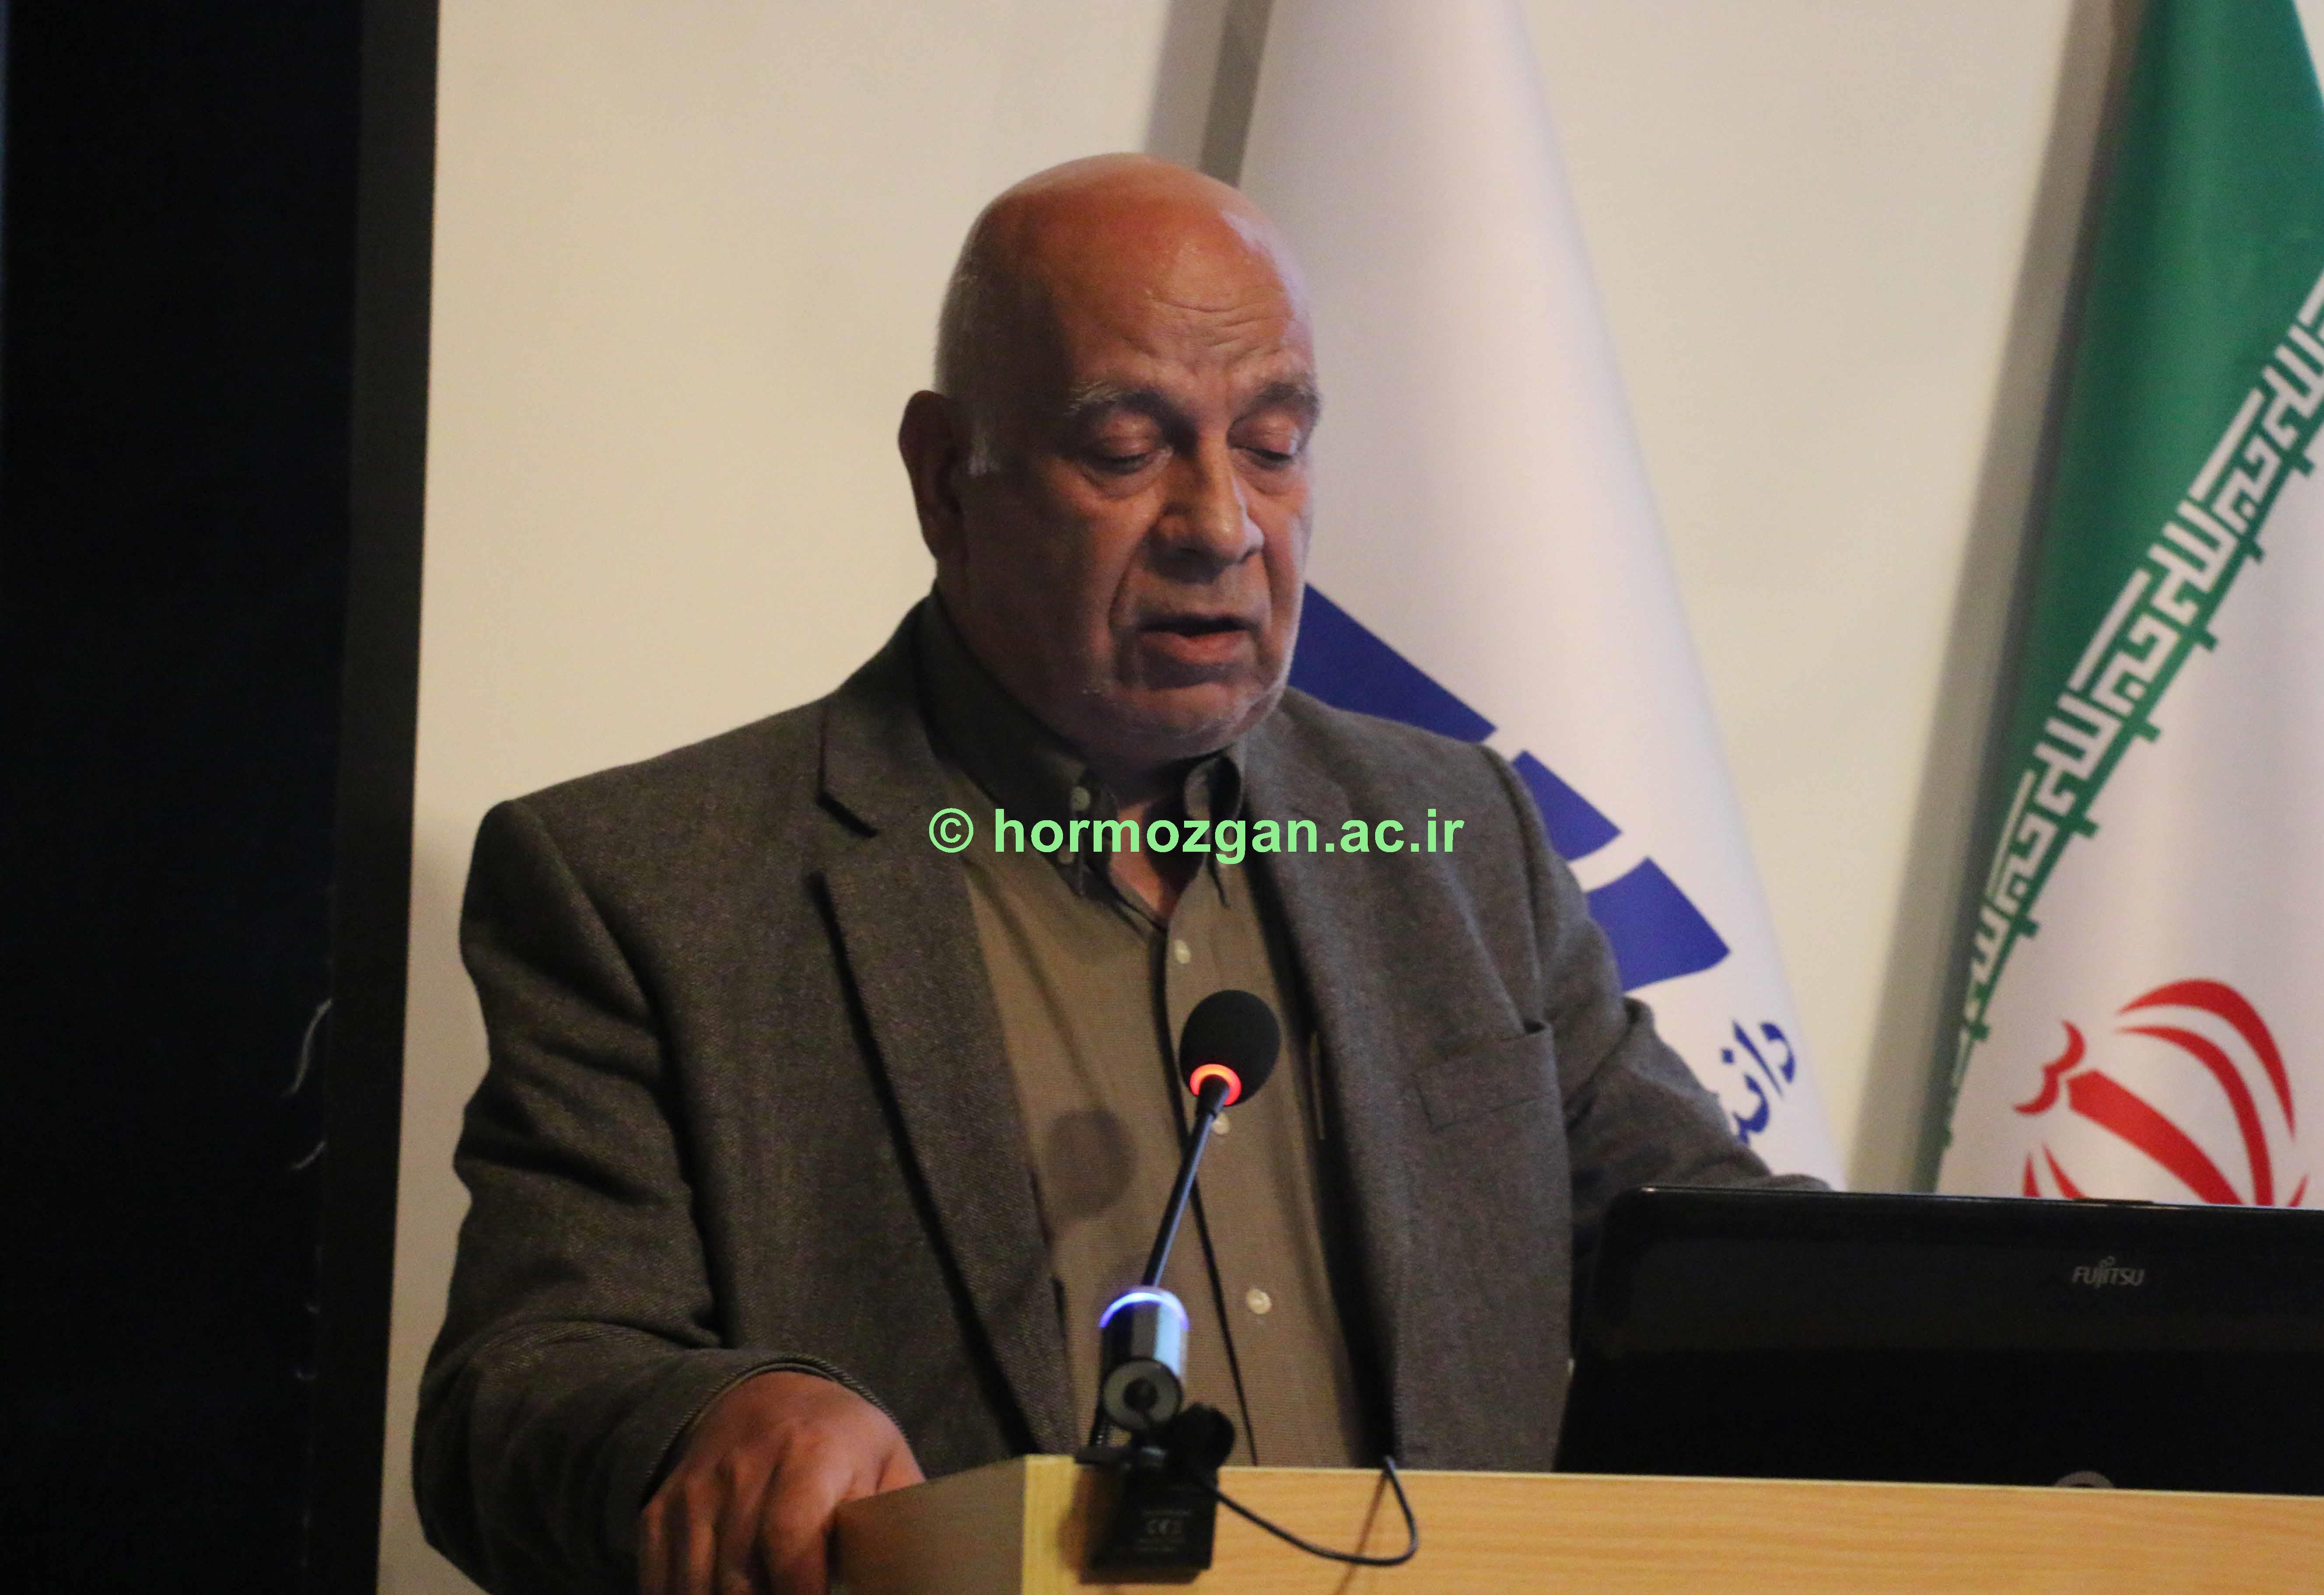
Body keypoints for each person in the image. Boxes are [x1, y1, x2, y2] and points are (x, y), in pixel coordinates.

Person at [415, 154, 1811, 1595]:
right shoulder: (652, 890)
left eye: (1273, 445)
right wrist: (707, 1419)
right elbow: (513, 1395)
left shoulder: (1458, 833)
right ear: (946, 479)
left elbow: (1714, 1270)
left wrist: (1941, 1330)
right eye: (1130, 449)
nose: (1223, 524)